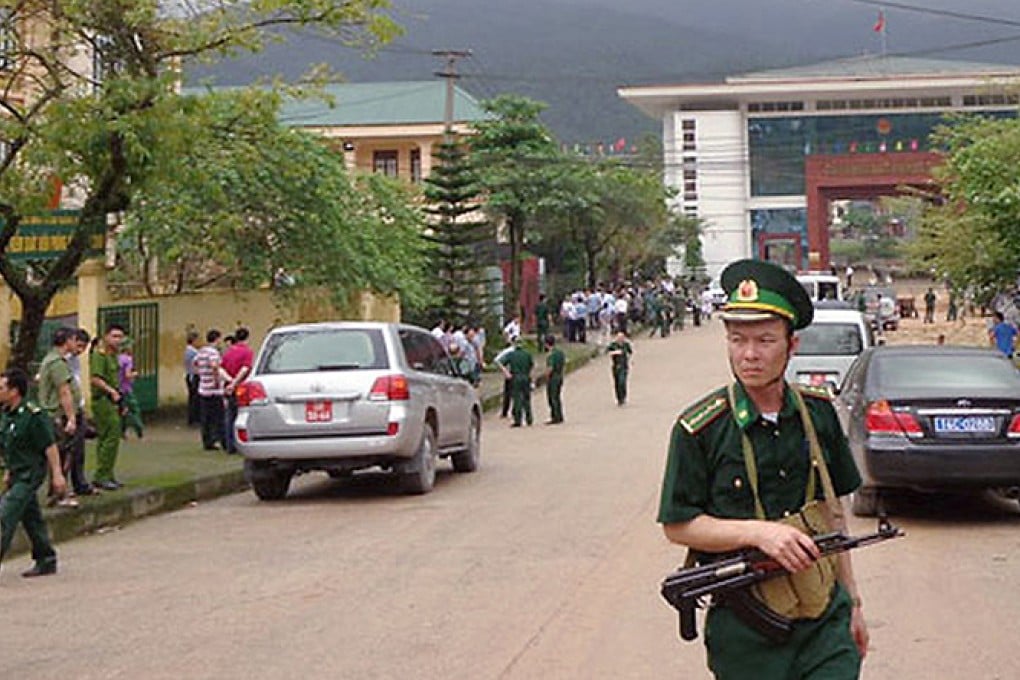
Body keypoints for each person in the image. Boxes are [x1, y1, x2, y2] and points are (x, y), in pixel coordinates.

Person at [658, 259, 868, 679]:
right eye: (738, 340)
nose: (749, 354)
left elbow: (833, 515)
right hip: (746, 632)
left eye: (765, 340)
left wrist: (854, 604)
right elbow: (678, 525)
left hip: (824, 620)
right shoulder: (701, 428)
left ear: (792, 345)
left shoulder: (818, 413)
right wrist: (759, 533)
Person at [0, 367, 66, 577]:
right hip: (16, 472)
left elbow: (49, 446)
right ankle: (46, 558)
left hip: (30, 473)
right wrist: (8, 470)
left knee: (5, 514)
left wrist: (57, 474)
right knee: (31, 516)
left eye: (2, 388)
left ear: (14, 391)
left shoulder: (33, 415)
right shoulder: (7, 414)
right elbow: (10, 446)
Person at [36, 327, 80, 507]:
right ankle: (59, 493)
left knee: (60, 455)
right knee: (61, 455)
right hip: (56, 415)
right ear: (67, 341)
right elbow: (64, 391)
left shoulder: (52, 360)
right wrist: (71, 418)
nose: (75, 344)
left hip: (52, 415)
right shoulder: (57, 363)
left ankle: (57, 492)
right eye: (74, 340)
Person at [89, 323, 127, 490]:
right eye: (114, 336)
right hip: (103, 399)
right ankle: (101, 475)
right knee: (111, 437)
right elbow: (95, 379)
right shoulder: (100, 355)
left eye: (120, 337)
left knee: (108, 438)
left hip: (113, 400)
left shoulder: (113, 355)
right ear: (105, 337)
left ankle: (107, 473)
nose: (118, 340)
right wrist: (111, 391)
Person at [195, 329, 229, 451]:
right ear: (217, 339)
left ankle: (207, 441)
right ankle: (223, 440)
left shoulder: (201, 351)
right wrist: (215, 380)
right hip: (214, 390)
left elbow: (195, 363)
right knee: (219, 417)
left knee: (206, 417)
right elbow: (215, 366)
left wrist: (202, 374)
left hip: (203, 388)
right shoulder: (213, 352)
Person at [221, 326, 254, 454]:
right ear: (247, 337)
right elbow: (245, 369)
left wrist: (229, 381)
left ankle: (230, 444)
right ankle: (240, 442)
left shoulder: (228, 352)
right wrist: (235, 383)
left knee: (230, 416)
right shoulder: (247, 352)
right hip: (242, 387)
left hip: (228, 386)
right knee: (242, 415)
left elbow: (220, 368)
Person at [497, 337, 533, 427]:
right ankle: (529, 418)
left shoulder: (511, 354)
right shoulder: (527, 354)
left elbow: (500, 362)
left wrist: (506, 372)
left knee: (517, 399)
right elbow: (531, 366)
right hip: (526, 377)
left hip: (515, 377)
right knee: (527, 398)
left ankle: (518, 420)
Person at [118, 341, 144, 439]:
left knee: (122, 410)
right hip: (126, 388)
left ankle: (122, 431)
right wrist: (135, 374)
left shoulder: (116, 358)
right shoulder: (128, 360)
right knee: (134, 410)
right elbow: (128, 375)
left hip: (118, 388)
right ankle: (139, 429)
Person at [606, 331, 633, 406]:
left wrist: (630, 359)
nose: (620, 339)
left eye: (622, 337)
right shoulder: (613, 345)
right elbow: (607, 352)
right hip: (616, 366)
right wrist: (615, 352)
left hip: (624, 366)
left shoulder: (626, 344)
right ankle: (619, 399)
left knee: (622, 381)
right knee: (617, 383)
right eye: (619, 338)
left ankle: (623, 396)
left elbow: (630, 353)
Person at [544, 334, 565, 424]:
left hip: (553, 378)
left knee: (552, 397)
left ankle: (555, 416)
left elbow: (550, 368)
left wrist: (546, 376)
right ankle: (559, 415)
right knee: (557, 397)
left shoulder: (551, 355)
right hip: (560, 376)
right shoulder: (560, 353)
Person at [184, 330, 201, 426]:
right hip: (193, 376)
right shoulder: (193, 352)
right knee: (195, 398)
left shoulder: (188, 351)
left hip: (189, 375)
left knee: (192, 398)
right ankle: (195, 418)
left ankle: (192, 418)